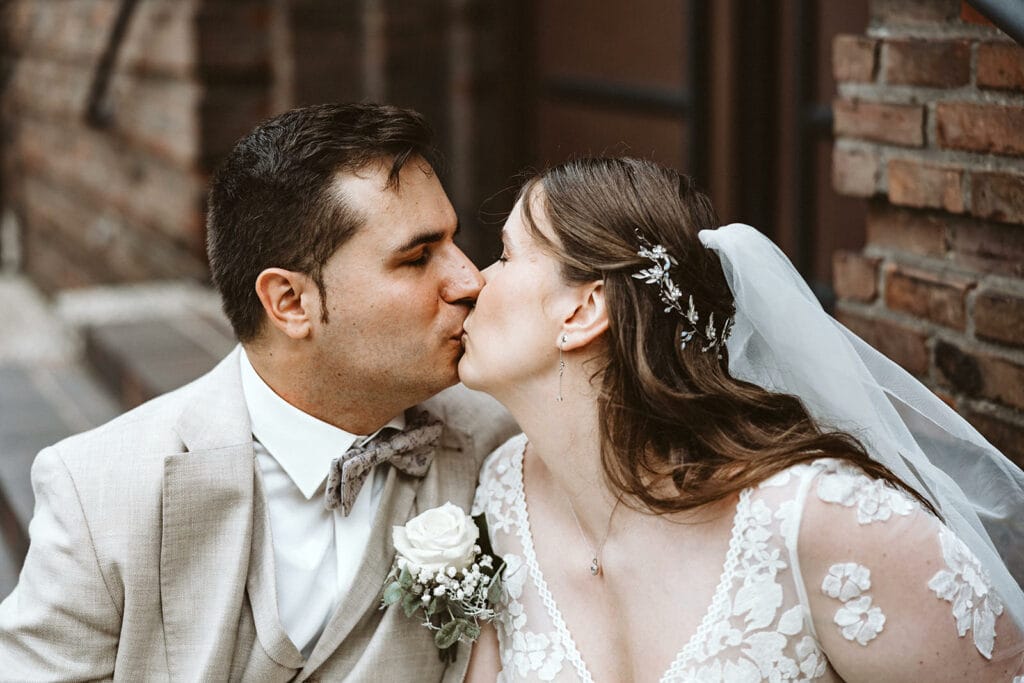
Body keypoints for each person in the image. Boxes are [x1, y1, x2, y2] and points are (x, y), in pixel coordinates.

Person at [0, 103, 516, 681]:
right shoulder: (102, 492)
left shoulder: (499, 442)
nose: (470, 279)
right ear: (291, 303)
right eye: (419, 257)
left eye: (454, 242)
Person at [460, 156, 1024, 681]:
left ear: (583, 311)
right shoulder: (503, 492)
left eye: (505, 255)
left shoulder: (828, 522)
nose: (471, 282)